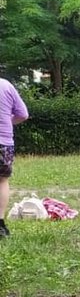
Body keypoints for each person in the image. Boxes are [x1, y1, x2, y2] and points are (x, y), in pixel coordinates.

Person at [0, 75, 29, 239]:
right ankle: (0, 226)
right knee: (2, 180)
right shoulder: (5, 85)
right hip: (3, 143)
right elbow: (23, 114)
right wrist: (7, 121)